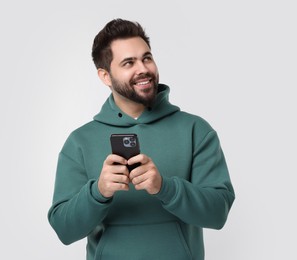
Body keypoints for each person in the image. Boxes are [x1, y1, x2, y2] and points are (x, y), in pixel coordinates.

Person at [47, 18, 235, 260]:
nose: (143, 68)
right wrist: (98, 192)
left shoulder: (195, 129)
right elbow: (64, 230)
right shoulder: (80, 141)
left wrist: (165, 188)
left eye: (147, 58)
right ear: (105, 76)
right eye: (129, 63)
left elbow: (218, 214)